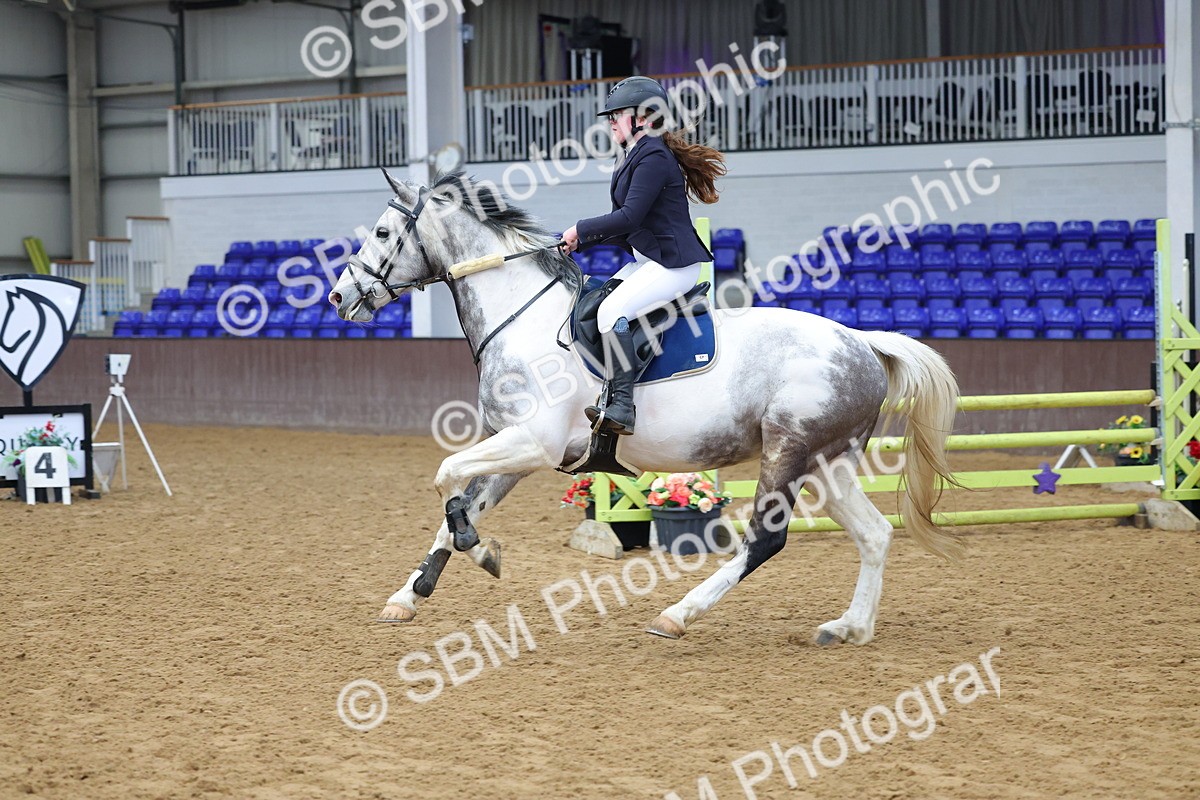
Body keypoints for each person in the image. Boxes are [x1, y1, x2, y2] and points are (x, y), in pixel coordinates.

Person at [561, 76, 727, 436]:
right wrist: (578, 242)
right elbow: (627, 229)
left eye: (617, 114)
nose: (610, 121)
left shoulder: (652, 155)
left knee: (611, 311)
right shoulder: (635, 155)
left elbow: (629, 217)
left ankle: (621, 405)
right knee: (593, 302)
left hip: (673, 265)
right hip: (649, 261)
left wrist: (579, 229)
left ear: (643, 116)